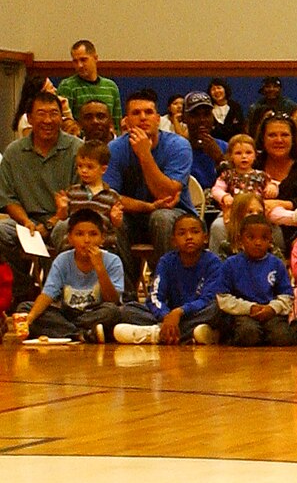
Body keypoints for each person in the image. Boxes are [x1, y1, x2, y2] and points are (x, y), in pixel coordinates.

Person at [103, 89, 194, 257]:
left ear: (158, 119)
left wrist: (144, 154)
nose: (143, 117)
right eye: (136, 113)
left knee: (161, 218)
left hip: (175, 215)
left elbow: (166, 194)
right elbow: (109, 197)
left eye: (149, 112)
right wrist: (148, 207)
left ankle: (166, 281)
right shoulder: (114, 149)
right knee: (113, 219)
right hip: (131, 217)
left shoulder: (178, 145)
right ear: (127, 121)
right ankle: (123, 283)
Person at [20, 210, 133, 342]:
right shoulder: (62, 260)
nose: (86, 240)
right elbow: (48, 294)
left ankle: (67, 331)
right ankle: (81, 334)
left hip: (96, 313)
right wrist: (29, 319)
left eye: (93, 234)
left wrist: (99, 268)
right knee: (25, 308)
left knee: (113, 312)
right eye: (79, 234)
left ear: (102, 238)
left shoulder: (112, 261)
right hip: (68, 313)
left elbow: (113, 300)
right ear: (70, 238)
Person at [115, 212, 224, 344]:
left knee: (217, 308)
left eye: (195, 232)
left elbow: (208, 298)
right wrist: (167, 316)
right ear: (173, 241)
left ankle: (156, 334)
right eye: (182, 233)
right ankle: (187, 334)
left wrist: (180, 312)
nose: (189, 237)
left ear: (205, 238)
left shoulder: (213, 262)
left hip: (196, 313)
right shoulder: (166, 261)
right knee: (127, 310)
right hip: (170, 316)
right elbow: (154, 297)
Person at [204, 213, 297, 346]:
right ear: (240, 240)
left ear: (270, 240)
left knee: (282, 337)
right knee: (248, 334)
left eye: (264, 238)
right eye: (251, 237)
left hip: (270, 313)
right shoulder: (231, 264)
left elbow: (287, 295)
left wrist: (272, 308)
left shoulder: (277, 264)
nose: (258, 242)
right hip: (242, 314)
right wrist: (250, 308)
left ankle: (296, 328)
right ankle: (223, 335)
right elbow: (222, 297)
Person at [52, 140, 125, 260]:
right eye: (80, 166)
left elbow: (116, 226)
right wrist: (62, 208)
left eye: (90, 167)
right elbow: (63, 218)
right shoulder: (73, 192)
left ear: (103, 169)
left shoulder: (112, 196)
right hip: (75, 248)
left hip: (103, 249)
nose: (84, 171)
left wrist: (115, 218)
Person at [54, 39, 121, 127]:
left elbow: (117, 124)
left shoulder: (111, 87)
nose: (79, 65)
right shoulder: (68, 86)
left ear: (95, 58)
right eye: (75, 61)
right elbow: (64, 123)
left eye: (83, 60)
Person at [181, 92, 224, 201]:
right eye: (195, 115)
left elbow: (241, 185)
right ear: (184, 118)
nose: (202, 120)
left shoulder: (226, 147)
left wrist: (220, 159)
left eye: (206, 114)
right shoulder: (177, 150)